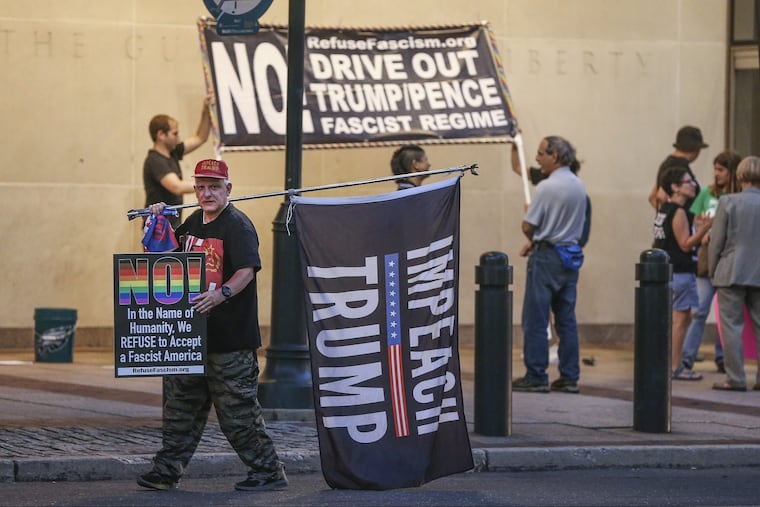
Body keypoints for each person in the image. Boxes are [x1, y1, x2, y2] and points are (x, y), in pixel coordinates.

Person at [137, 159, 287, 492]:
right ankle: (166, 470)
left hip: (230, 341)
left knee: (238, 414)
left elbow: (248, 270)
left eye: (214, 187)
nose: (206, 193)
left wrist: (221, 294)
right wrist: (156, 218)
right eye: (201, 187)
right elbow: (165, 257)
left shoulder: (237, 225)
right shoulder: (192, 221)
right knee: (180, 409)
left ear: (228, 189)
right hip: (191, 338)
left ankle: (268, 470)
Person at [512, 136, 587, 393]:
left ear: (554, 156)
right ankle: (569, 376)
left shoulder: (547, 188)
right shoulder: (578, 185)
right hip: (571, 255)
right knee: (566, 319)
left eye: (541, 153)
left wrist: (529, 221)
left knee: (536, 318)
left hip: (546, 258)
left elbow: (528, 225)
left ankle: (536, 375)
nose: (537, 157)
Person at [680, 150, 741, 375]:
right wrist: (701, 231)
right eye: (715, 169)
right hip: (707, 257)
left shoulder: (738, 196)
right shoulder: (707, 193)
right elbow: (696, 218)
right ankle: (686, 357)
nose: (716, 174)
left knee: (727, 314)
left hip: (728, 258)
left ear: (732, 171)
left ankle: (723, 357)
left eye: (721, 170)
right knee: (700, 310)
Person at [652, 166, 712, 380]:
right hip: (680, 271)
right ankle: (676, 366)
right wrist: (705, 228)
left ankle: (669, 364)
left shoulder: (664, 208)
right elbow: (685, 245)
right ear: (675, 187)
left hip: (668, 271)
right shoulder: (677, 212)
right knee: (681, 318)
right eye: (689, 182)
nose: (694, 184)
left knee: (677, 318)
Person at [708, 155, 760, 392]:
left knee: (731, 325)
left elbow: (716, 241)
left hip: (731, 270)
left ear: (739, 176)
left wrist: (712, 269)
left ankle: (735, 378)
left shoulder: (728, 202)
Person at [143, 100, 211, 228]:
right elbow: (177, 187)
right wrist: (209, 185)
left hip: (171, 225)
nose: (179, 138)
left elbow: (200, 138)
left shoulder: (173, 152)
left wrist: (206, 111)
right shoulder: (155, 160)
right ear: (161, 135)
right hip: (157, 229)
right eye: (175, 133)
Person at [649, 126, 708, 210]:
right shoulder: (678, 168)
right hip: (681, 221)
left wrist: (664, 216)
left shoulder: (666, 164)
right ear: (696, 149)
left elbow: (652, 196)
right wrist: (675, 217)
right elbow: (660, 196)